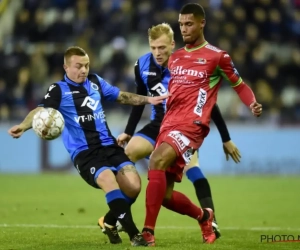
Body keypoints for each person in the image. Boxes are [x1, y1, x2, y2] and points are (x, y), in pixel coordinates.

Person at [8, 46, 169, 247]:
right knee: (108, 180)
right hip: (85, 153)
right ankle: (135, 235)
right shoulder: (58, 90)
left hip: (109, 146)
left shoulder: (95, 81)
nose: (83, 70)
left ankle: (109, 223)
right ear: (66, 67)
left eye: (86, 65)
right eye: (78, 66)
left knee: (134, 186)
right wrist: (23, 126)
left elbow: (121, 96)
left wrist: (149, 99)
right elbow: (39, 112)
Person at [98, 23, 241, 240]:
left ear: (172, 45)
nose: (158, 52)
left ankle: (212, 220)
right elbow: (140, 98)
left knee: (191, 174)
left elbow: (210, 104)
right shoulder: (142, 65)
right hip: (157, 125)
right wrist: (128, 131)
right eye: (154, 47)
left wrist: (226, 138)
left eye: (162, 48)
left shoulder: (186, 65)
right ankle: (115, 217)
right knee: (127, 156)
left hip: (184, 127)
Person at [141, 3, 263, 246]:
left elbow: (239, 85)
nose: (184, 29)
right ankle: (204, 216)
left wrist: (252, 103)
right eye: (181, 24)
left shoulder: (218, 56)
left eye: (189, 24)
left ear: (201, 23)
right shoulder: (174, 59)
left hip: (192, 126)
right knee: (164, 196)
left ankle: (147, 233)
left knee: (155, 160)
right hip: (168, 124)